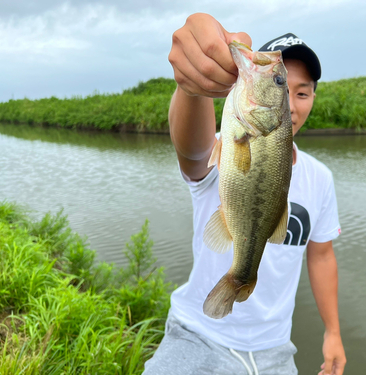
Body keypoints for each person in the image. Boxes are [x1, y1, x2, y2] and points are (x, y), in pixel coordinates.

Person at [143, 13, 346, 375]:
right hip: (198, 334)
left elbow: (321, 256)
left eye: (301, 92)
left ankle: (241, 275)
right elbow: (192, 155)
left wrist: (333, 331)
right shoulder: (225, 144)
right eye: (286, 85)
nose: (295, 104)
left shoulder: (320, 179)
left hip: (276, 349)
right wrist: (193, 88)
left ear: (314, 96)